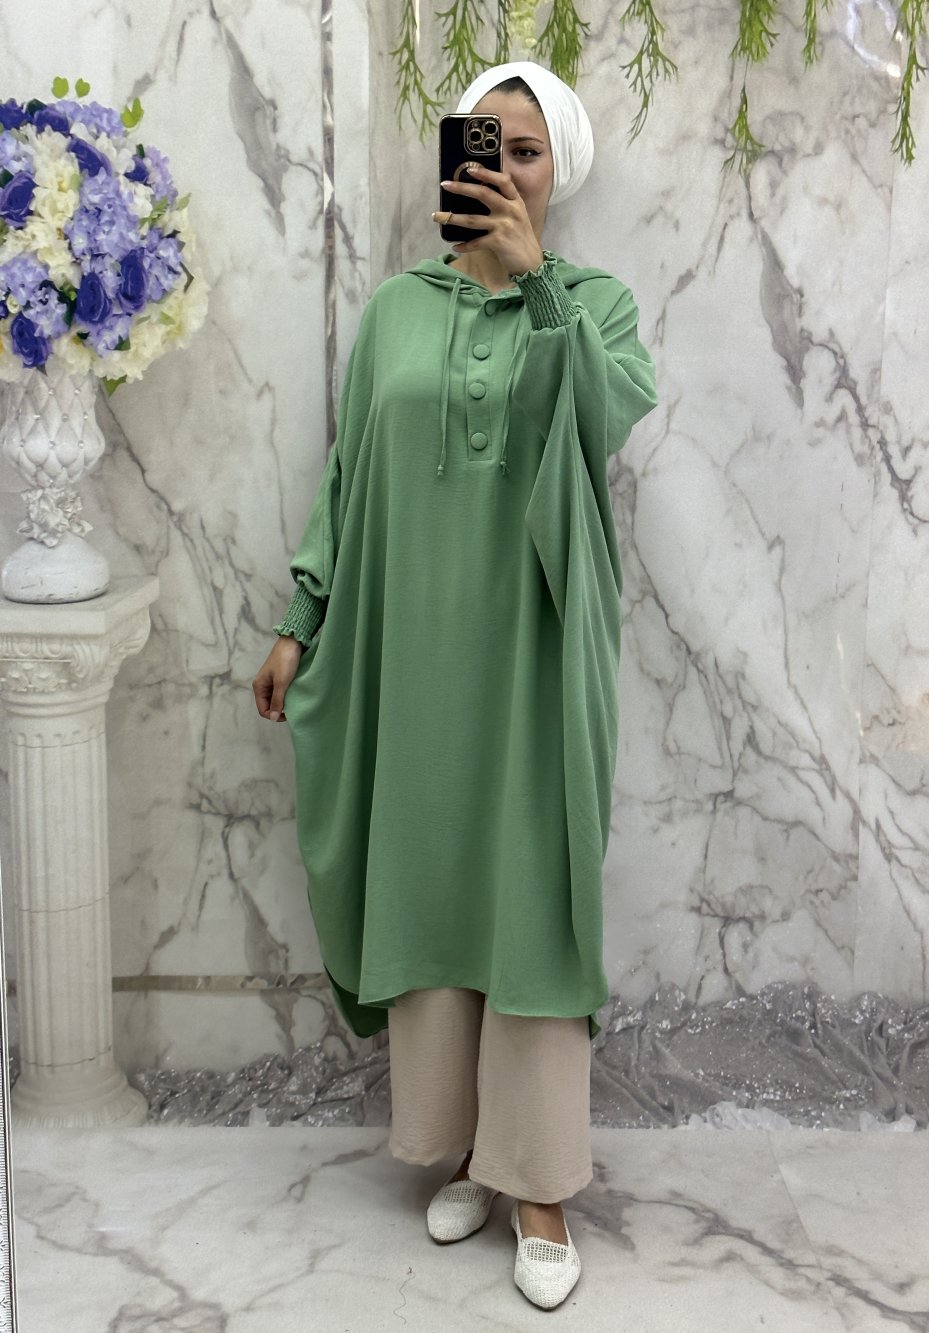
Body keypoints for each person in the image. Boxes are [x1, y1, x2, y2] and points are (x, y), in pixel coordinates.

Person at [252, 60, 658, 1310]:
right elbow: (347, 476)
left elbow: (603, 417)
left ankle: (539, 1185)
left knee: (529, 895)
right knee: (432, 881)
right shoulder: (394, 310)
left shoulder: (593, 304)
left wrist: (536, 282)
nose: (507, 170)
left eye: (528, 152)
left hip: (533, 653)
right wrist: (303, 615)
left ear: (559, 171)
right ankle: (469, 1154)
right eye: (490, 146)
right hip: (412, 654)